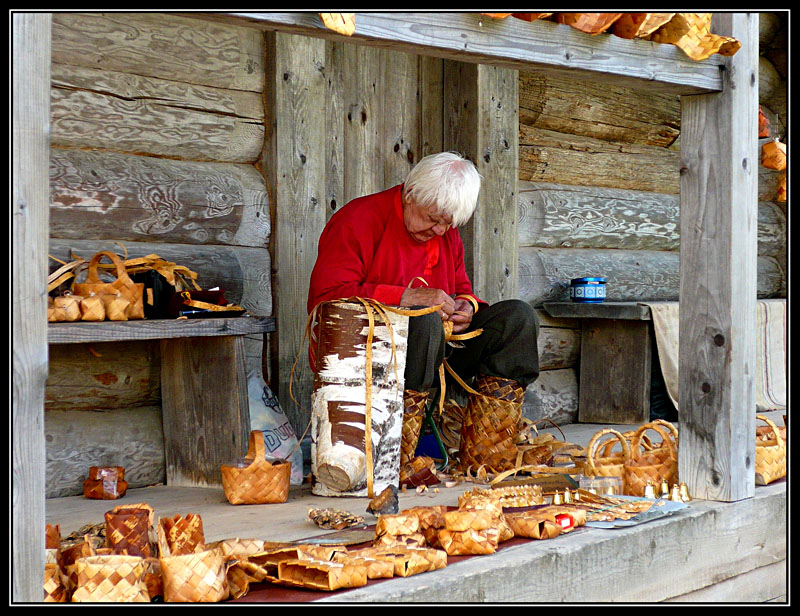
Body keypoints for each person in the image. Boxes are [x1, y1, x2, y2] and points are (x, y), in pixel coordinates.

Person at [307, 151, 540, 473]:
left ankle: (487, 457)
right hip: (368, 355)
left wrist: (467, 307)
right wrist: (405, 297)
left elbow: (462, 287)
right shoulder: (358, 219)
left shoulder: (444, 231)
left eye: (449, 223)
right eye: (433, 219)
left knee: (517, 318)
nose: (441, 231)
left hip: (439, 354)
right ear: (411, 193)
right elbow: (327, 298)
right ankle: (397, 459)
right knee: (423, 316)